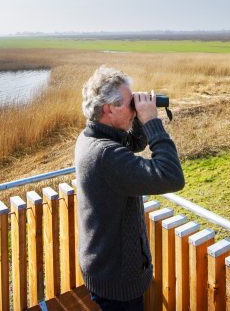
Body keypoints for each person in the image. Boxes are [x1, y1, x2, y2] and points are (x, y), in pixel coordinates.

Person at [74, 66, 185, 311]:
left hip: (104, 269)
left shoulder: (90, 137)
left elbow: (132, 142)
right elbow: (171, 176)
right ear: (109, 108)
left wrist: (135, 114)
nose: (134, 108)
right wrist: (152, 121)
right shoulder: (105, 154)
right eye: (128, 103)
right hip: (118, 282)